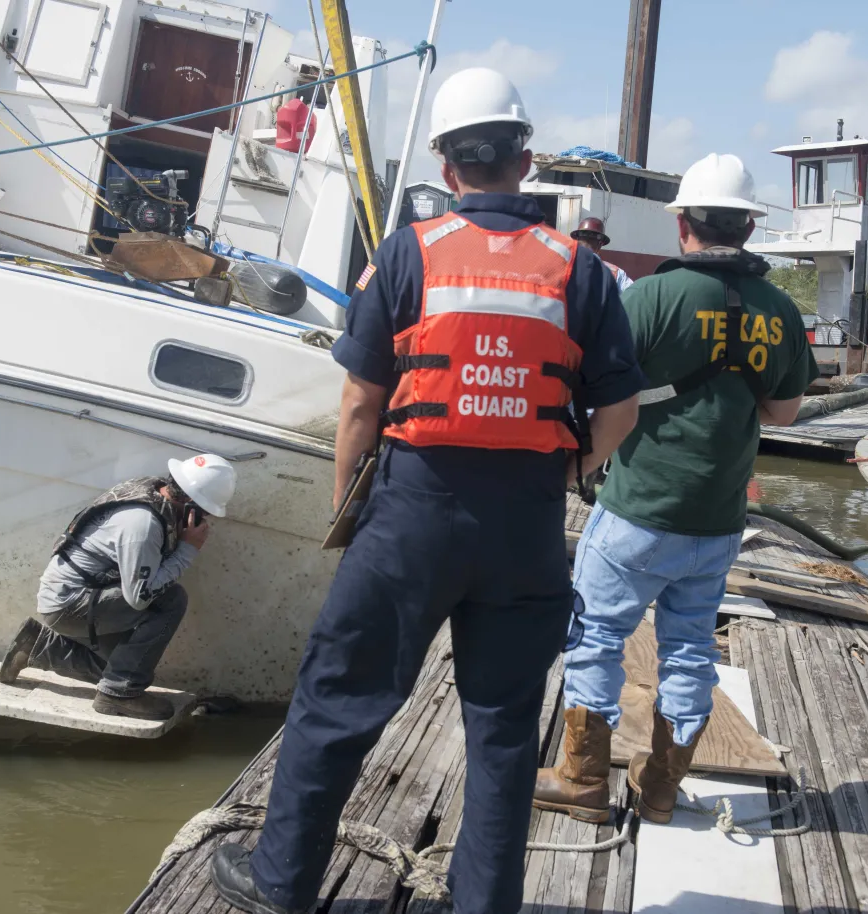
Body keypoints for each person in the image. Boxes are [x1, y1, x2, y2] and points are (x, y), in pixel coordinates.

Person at [209, 68, 643, 914]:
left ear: (447, 168)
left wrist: (351, 510)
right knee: (505, 731)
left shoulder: (407, 254)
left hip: (411, 515)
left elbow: (360, 403)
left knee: (338, 701)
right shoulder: (579, 270)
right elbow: (620, 409)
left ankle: (283, 884)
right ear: (524, 159)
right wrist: (565, 471)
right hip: (524, 524)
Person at [532, 153, 819, 824]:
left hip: (637, 511)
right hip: (718, 523)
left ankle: (582, 782)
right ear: (750, 225)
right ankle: (660, 786)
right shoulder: (781, 311)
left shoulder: (651, 297)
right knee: (689, 648)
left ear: (683, 224)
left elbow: (592, 388)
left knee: (598, 637)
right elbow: (783, 414)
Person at [0, 454, 236, 721]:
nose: (206, 520)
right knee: (171, 600)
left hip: (78, 597)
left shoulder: (153, 496)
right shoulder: (143, 524)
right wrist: (187, 551)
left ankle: (37, 646)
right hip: (70, 604)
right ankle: (119, 695)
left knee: (123, 665)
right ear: (190, 505)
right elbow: (140, 597)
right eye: (204, 512)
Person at [571, 216, 633, 293]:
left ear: (576, 242)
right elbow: (633, 297)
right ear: (600, 244)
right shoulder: (616, 273)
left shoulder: (563, 266)